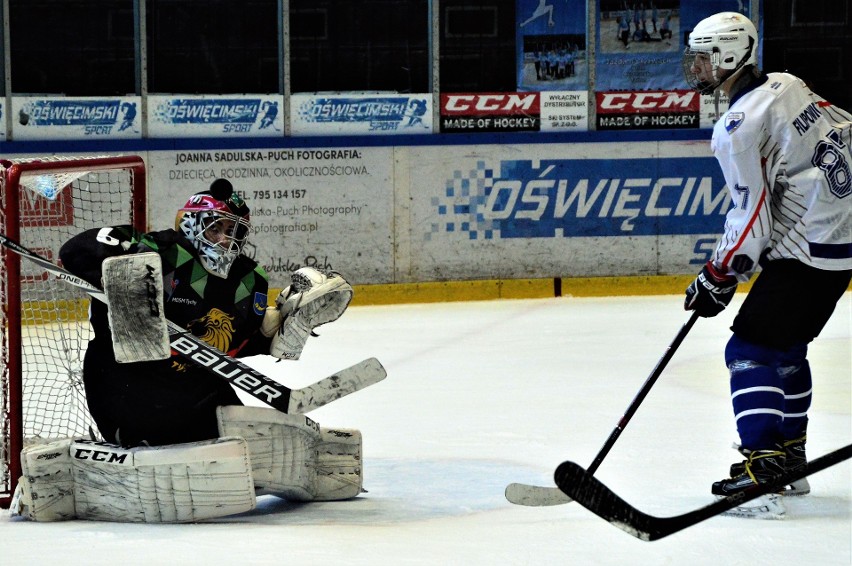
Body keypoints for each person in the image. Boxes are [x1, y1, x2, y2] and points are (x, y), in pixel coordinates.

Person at [682, 11, 851, 504]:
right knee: (785, 351)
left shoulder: (736, 126)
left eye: (703, 59)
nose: (695, 70)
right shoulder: (786, 84)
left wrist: (717, 273)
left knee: (749, 351)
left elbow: (750, 216)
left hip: (806, 250)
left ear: (730, 55)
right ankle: (790, 460)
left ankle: (764, 465)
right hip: (837, 244)